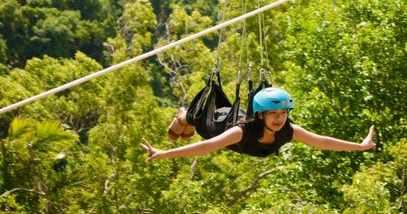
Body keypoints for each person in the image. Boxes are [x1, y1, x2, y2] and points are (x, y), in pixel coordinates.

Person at [141, 87, 376, 162]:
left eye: (283, 112)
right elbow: (206, 147)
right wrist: (163, 154)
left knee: (226, 114)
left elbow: (322, 142)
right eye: (273, 113)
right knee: (197, 120)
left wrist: (360, 146)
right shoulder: (239, 132)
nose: (279, 118)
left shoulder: (288, 130)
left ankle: (186, 119)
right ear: (261, 115)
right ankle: (183, 117)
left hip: (241, 116)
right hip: (220, 123)